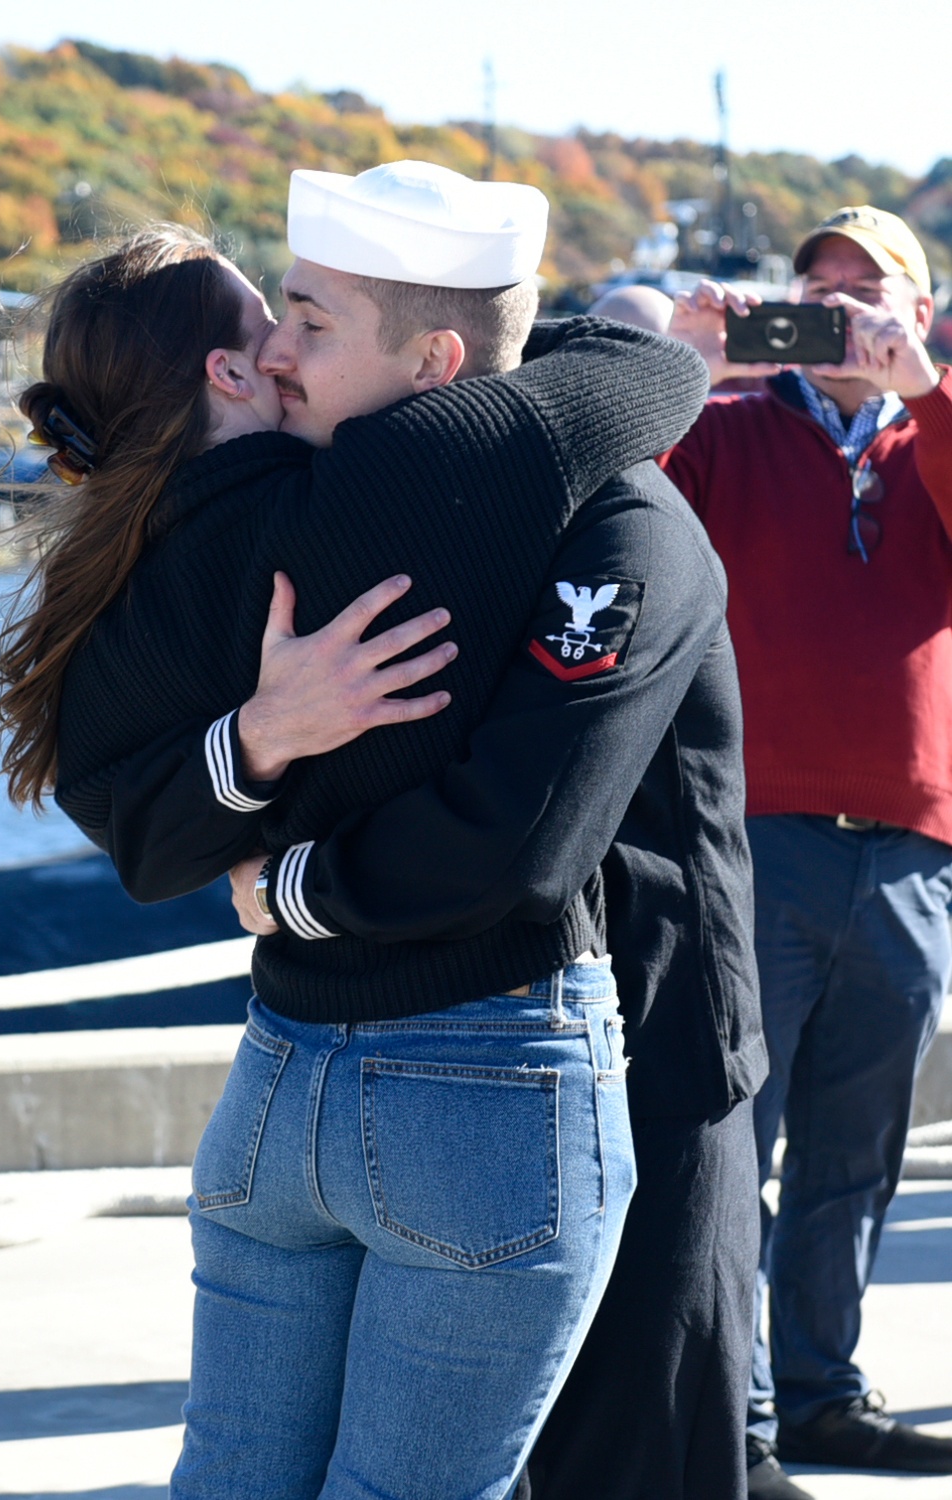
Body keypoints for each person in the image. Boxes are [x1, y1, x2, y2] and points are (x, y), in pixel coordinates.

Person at [0, 162, 713, 1499]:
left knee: (231, 1481)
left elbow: (140, 838)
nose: (282, 345)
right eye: (278, 318)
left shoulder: (126, 563)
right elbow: (625, 390)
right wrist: (650, 327)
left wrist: (257, 771)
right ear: (225, 373)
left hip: (279, 1081)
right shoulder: (426, 478)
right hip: (488, 1072)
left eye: (308, 318)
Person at [665, 205, 952, 1499]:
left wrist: (927, 391)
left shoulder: (935, 432)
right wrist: (678, 374)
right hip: (756, 838)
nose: (837, 309)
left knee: (857, 1153)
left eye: (867, 290)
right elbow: (625, 538)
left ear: (918, 310)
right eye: (815, 288)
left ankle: (827, 1396)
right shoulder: (724, 430)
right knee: (739, 1151)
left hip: (911, 852)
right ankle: (746, 1426)